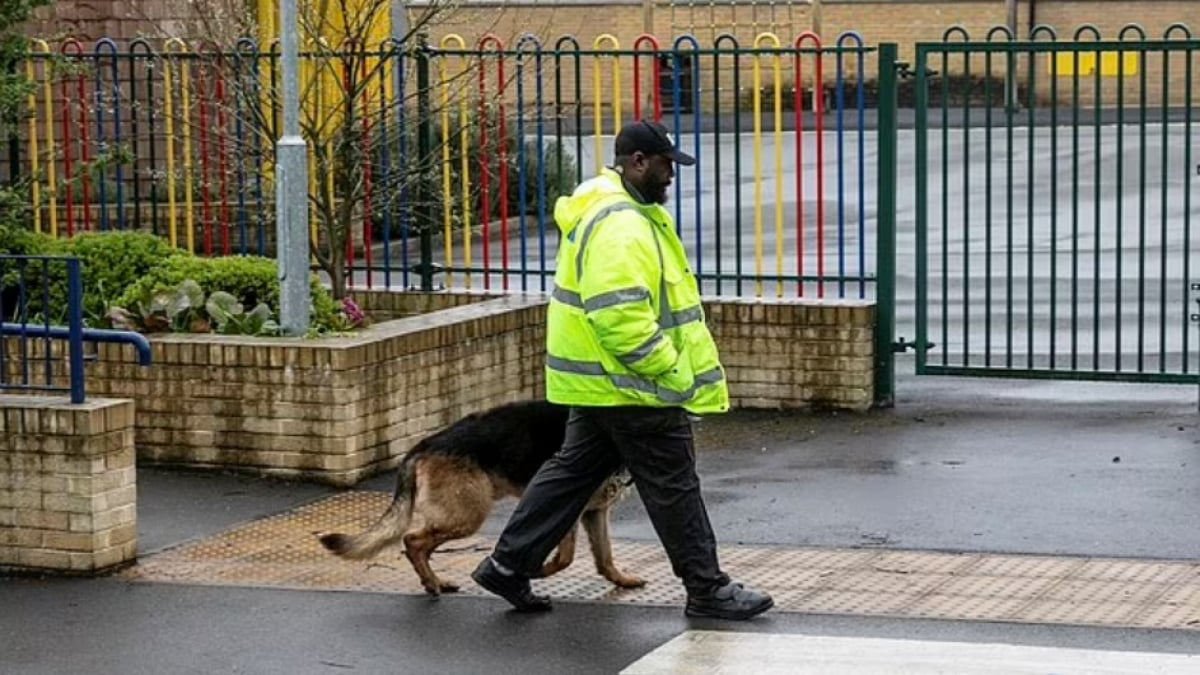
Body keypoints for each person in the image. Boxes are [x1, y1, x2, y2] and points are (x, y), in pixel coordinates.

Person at [471, 119, 773, 621]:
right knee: (674, 484)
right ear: (637, 162)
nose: (669, 177)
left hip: (597, 383)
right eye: (663, 166)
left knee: (572, 473)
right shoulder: (623, 225)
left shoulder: (610, 208)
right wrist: (669, 370)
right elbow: (620, 317)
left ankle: (508, 564)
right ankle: (707, 588)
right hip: (634, 385)